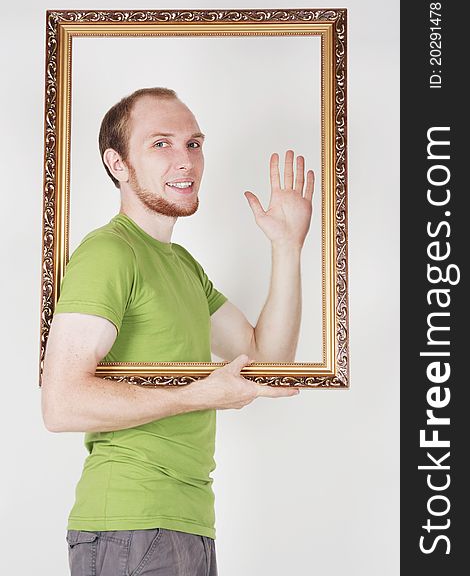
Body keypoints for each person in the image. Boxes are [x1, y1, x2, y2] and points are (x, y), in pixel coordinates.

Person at [41, 87, 315, 576]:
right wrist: (200, 394)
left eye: (193, 143)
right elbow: (61, 403)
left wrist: (287, 247)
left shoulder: (183, 265)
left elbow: (266, 361)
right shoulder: (109, 253)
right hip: (131, 522)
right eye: (161, 144)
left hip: (185, 523)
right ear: (118, 163)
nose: (185, 160)